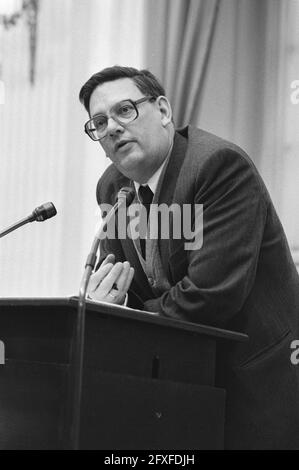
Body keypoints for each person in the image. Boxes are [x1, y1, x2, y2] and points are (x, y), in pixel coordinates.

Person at [79, 65, 299, 449]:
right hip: (177, 376)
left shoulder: (219, 166)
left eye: (125, 110)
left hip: (252, 375)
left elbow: (211, 295)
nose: (111, 127)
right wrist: (100, 304)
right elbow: (120, 282)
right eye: (99, 122)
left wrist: (121, 318)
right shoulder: (112, 186)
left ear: (163, 111)